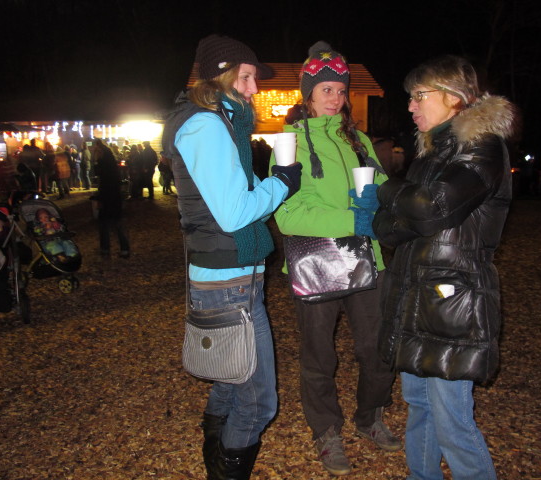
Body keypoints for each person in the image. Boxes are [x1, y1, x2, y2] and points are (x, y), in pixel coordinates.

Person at [161, 34, 301, 480]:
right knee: (259, 401)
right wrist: (282, 182)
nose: (255, 89)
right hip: (227, 280)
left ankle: (214, 451)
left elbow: (241, 201)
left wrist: (274, 184)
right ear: (219, 78)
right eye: (246, 78)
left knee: (230, 374)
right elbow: (235, 212)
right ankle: (225, 469)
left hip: (231, 274)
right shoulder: (206, 126)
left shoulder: (222, 125)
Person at [373, 55, 517, 480]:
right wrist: (393, 215)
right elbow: (395, 228)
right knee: (419, 405)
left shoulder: (482, 147)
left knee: (453, 420)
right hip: (415, 292)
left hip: (452, 300)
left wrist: (383, 189)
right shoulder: (432, 153)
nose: (411, 106)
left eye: (419, 95)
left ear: (454, 97)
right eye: (410, 97)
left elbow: (432, 206)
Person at [270, 41, 400, 476]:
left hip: (367, 259)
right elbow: (288, 215)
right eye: (326, 89)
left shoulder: (358, 140)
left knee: (377, 349)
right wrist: (351, 219)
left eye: (341, 90)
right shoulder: (289, 143)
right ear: (307, 94)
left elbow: (381, 188)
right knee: (319, 356)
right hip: (316, 262)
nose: (335, 98)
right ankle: (326, 431)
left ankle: (370, 416)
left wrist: (379, 202)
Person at [92, 139, 130, 258]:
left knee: (105, 224)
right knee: (117, 223)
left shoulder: (103, 165)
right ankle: (124, 249)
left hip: (107, 197)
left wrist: (100, 198)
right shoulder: (111, 164)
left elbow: (103, 183)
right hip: (114, 197)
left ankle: (105, 248)